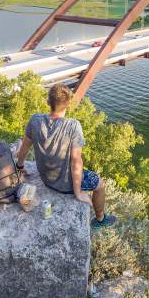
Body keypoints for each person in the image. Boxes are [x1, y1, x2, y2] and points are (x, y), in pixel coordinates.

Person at [16, 84, 116, 230]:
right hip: (65, 184)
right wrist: (78, 193)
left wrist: (19, 166)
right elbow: (76, 161)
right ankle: (100, 219)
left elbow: (24, 146)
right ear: (68, 104)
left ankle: (98, 217)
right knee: (100, 185)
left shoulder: (35, 120)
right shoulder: (73, 126)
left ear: (48, 102)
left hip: (46, 178)